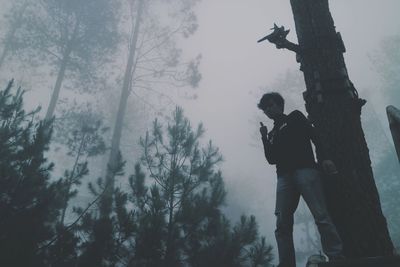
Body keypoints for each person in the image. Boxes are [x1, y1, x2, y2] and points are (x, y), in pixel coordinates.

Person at [258, 92, 344, 267]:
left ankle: (336, 256)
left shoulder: (295, 116)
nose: (268, 109)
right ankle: (286, 263)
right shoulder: (272, 133)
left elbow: (314, 135)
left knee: (320, 214)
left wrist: (326, 158)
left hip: (305, 170)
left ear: (280, 105)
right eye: (265, 107)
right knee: (282, 223)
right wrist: (264, 137)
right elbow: (271, 159)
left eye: (271, 104)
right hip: (283, 178)